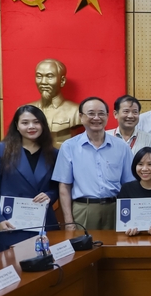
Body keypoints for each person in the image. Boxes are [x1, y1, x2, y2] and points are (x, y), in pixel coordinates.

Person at [53, 97, 135, 230]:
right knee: (84, 249)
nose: (96, 118)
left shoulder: (122, 147)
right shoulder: (69, 146)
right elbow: (64, 187)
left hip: (115, 208)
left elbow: (130, 184)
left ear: (108, 116)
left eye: (101, 113)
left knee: (117, 248)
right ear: (81, 116)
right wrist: (68, 220)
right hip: (83, 209)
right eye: (91, 113)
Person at [0, 106, 59, 251]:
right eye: (25, 122)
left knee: (47, 270)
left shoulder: (53, 153)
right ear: (17, 125)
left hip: (43, 222)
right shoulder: (2, 150)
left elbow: (57, 187)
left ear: (43, 124)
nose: (31, 127)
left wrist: (49, 195)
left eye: (36, 122)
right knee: (14, 270)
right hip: (10, 224)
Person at [28, 59, 82, 145]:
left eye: (49, 76)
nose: (43, 82)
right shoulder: (25, 111)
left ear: (62, 81)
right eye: (39, 76)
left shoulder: (77, 111)